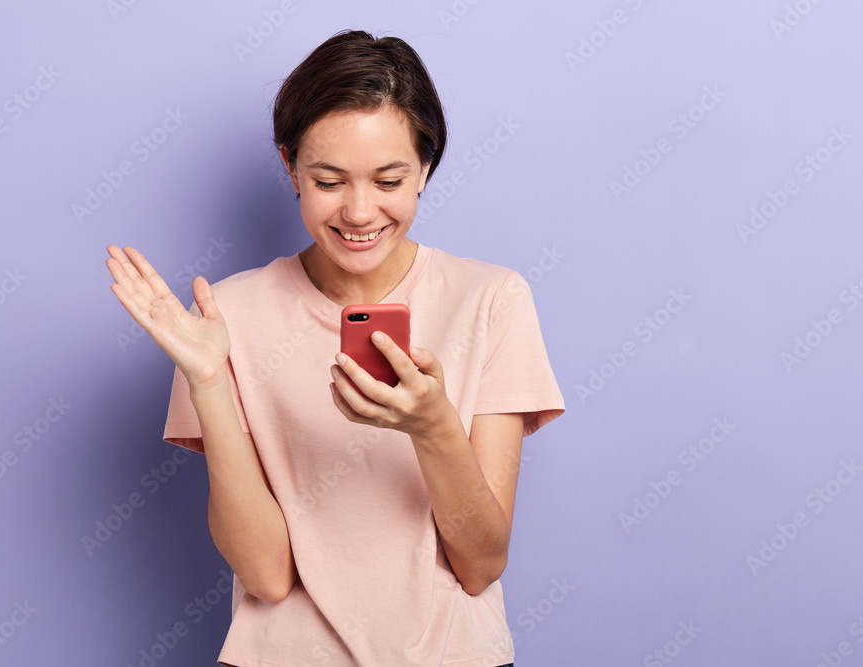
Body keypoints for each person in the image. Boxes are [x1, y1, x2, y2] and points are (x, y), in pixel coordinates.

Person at [105, 29, 564, 667]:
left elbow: (482, 563)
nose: (359, 211)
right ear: (290, 166)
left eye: (388, 180)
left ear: (425, 170)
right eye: (328, 181)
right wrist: (209, 382)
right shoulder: (222, 319)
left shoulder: (492, 300)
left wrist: (432, 426)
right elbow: (266, 577)